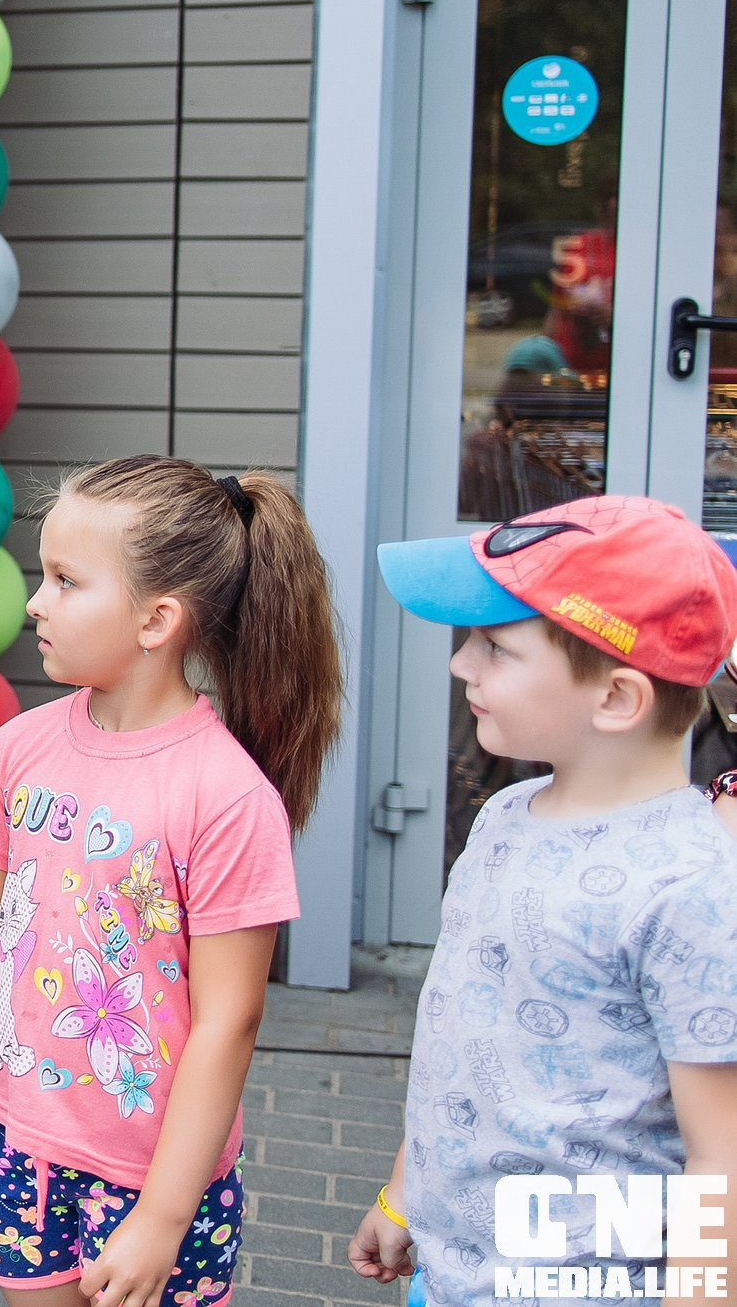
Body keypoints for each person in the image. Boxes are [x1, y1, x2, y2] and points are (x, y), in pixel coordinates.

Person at [0, 455, 341, 1307]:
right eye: (41, 575)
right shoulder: (22, 745)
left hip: (156, 1167)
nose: (35, 601)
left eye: (65, 580)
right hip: (18, 1143)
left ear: (156, 618)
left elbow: (227, 1022)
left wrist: (166, 1217)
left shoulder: (227, 794)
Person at [352, 496, 737, 1305]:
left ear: (617, 699)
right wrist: (402, 1189)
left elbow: (720, 1159)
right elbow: (461, 1025)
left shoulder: (692, 887)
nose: (462, 665)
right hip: (451, 1269)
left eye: (496, 646)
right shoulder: (502, 817)